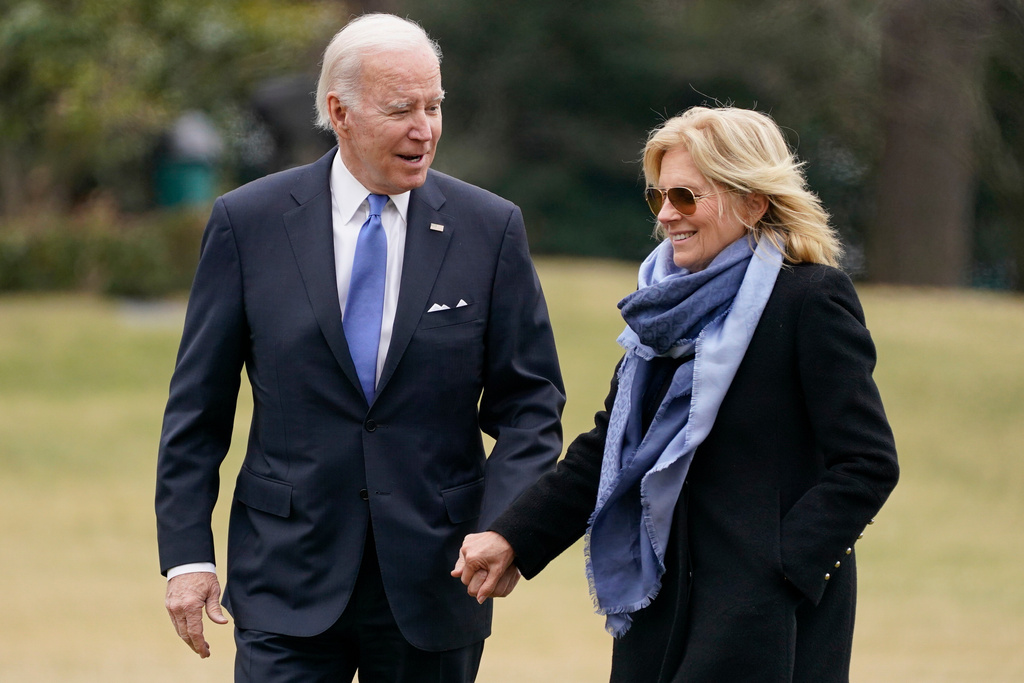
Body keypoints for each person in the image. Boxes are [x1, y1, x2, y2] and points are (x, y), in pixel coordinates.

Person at [156, 13, 564, 683]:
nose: (424, 128)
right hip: (285, 575)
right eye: (402, 109)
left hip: (437, 581)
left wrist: (505, 526)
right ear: (340, 113)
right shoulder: (247, 223)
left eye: (434, 106)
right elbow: (197, 408)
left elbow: (531, 405)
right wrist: (187, 557)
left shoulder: (490, 229)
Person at [453, 106, 899, 682]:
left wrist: (780, 569)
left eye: (686, 197)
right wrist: (513, 537)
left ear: (753, 202)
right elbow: (609, 453)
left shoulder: (810, 300)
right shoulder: (661, 312)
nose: (666, 214)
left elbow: (867, 463)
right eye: (658, 197)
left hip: (764, 624)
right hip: (661, 609)